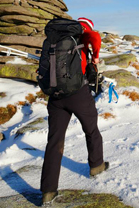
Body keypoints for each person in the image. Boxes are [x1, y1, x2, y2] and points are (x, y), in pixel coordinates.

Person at [40, 17, 108, 205]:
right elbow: (94, 36)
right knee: (91, 130)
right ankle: (96, 165)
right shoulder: (82, 35)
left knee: (54, 142)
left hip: (55, 97)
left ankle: (48, 191)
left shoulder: (55, 39)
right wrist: (95, 56)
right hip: (78, 94)